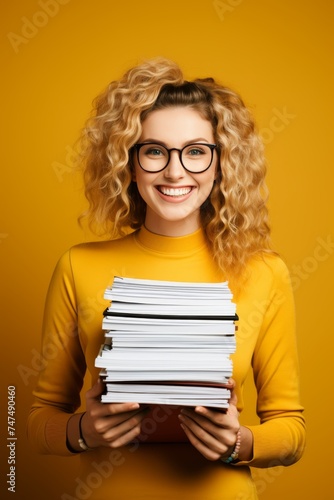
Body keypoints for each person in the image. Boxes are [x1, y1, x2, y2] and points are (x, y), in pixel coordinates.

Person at [27, 58, 305, 500]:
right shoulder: (78, 266)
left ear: (221, 165)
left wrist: (241, 443)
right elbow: (32, 424)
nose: (175, 172)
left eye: (196, 151)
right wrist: (82, 431)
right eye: (154, 150)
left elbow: (291, 428)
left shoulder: (263, 272)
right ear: (129, 163)